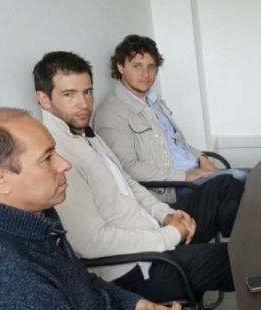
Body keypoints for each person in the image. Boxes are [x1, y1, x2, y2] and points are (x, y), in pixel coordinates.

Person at [0, 107, 261, 310]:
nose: (64, 164)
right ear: (0, 179)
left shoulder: (37, 219)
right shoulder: (8, 274)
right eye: (47, 158)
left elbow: (82, 280)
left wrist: (141, 306)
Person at [33, 51, 234, 303]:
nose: (83, 103)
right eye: (69, 94)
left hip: (153, 236)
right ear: (44, 99)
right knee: (235, 259)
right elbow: (91, 244)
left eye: (87, 92)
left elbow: (127, 182)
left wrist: (166, 215)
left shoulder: (85, 135)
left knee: (225, 186)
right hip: (131, 269)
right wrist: (170, 235)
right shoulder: (56, 156)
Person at [94, 34, 246, 217]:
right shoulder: (111, 113)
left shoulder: (153, 101)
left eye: (151, 67)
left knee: (242, 183)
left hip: (194, 172)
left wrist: (202, 157)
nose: (146, 74)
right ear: (120, 67)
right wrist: (185, 176)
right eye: (137, 66)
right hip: (170, 190)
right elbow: (127, 168)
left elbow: (175, 143)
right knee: (238, 180)